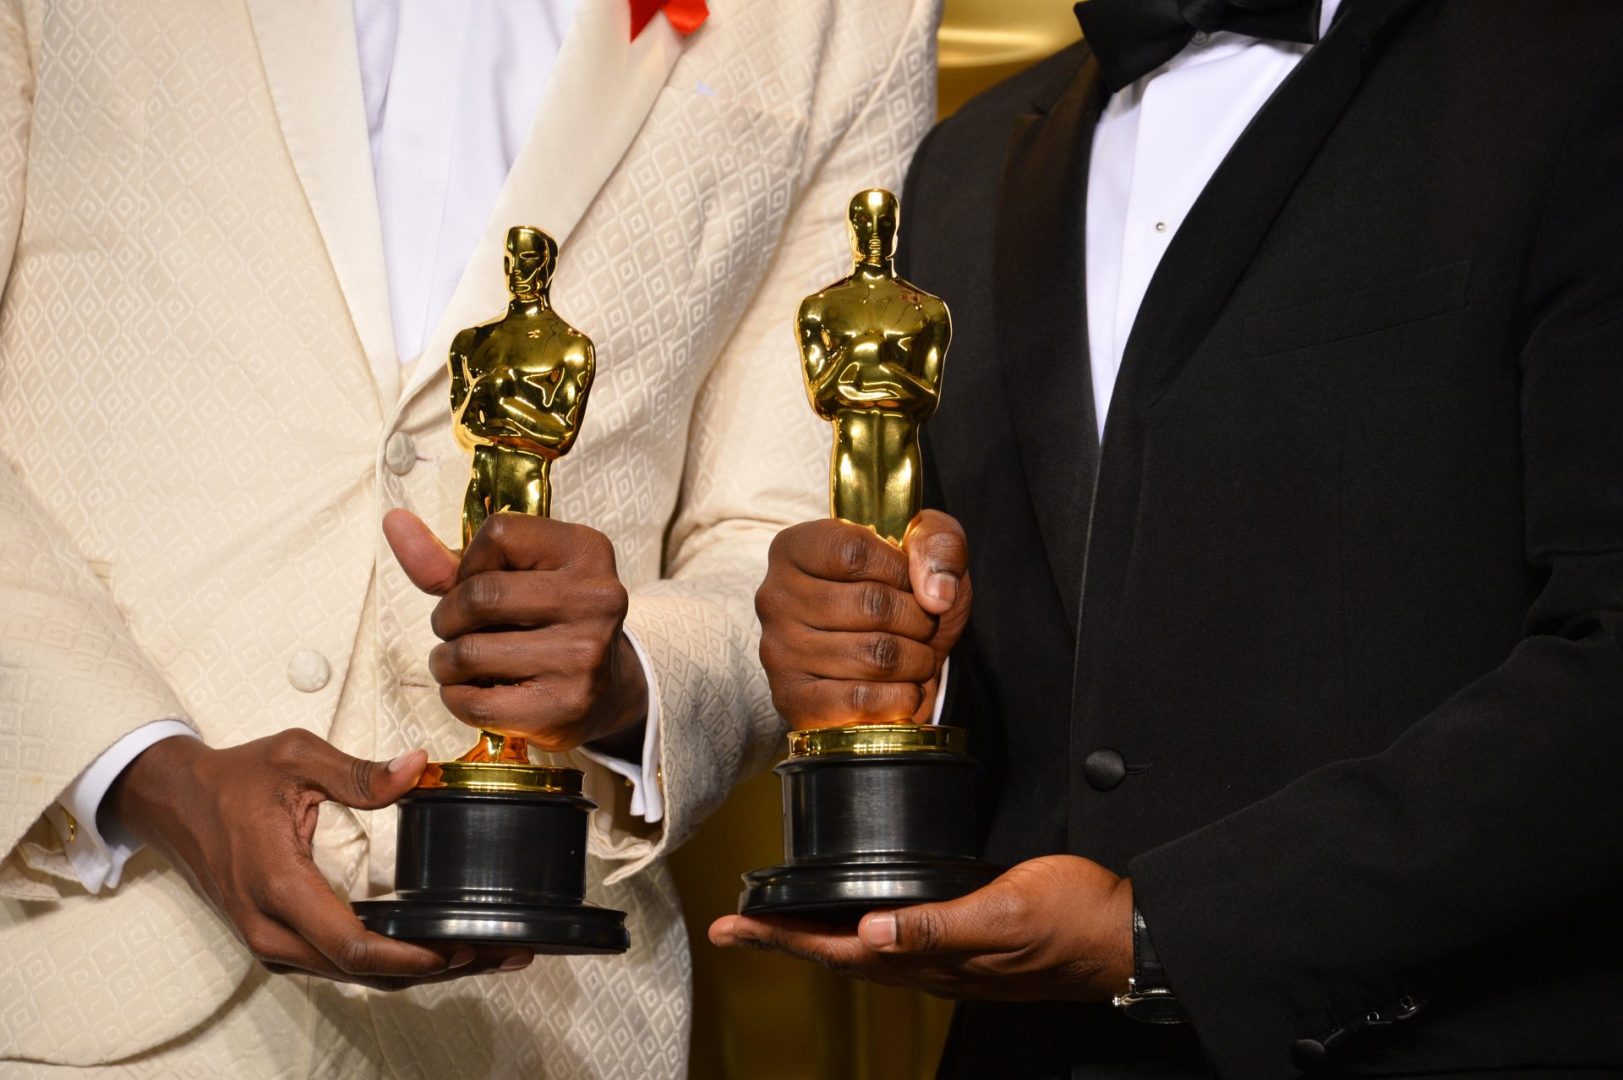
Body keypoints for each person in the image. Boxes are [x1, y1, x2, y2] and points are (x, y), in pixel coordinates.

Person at [0, 0, 938, 1075]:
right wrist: (142, 772)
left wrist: (632, 678)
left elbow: (785, 534)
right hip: (78, 974)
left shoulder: (854, 17)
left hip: (545, 1008)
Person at [717, 0, 1623, 1076]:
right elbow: (1043, 665)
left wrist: (1167, 931)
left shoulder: (1574, 70)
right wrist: (893, 668)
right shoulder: (963, 162)